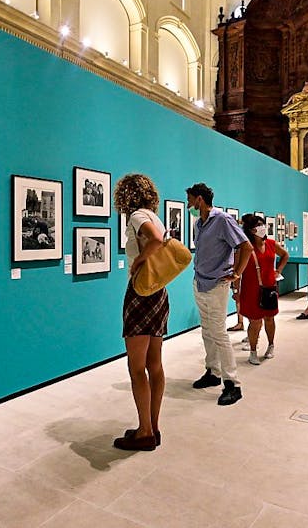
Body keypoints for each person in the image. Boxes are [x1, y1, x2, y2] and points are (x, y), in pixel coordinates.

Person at [113, 174, 168, 451]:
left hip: (141, 294)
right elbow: (160, 237)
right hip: (159, 293)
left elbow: (156, 240)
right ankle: (153, 427)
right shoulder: (155, 216)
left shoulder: (137, 216)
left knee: (137, 368)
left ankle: (144, 432)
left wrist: (139, 261)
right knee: (154, 364)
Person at [186, 183, 251, 406]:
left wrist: (237, 274)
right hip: (200, 281)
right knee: (207, 330)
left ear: (200, 200)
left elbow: (246, 246)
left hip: (217, 284)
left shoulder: (222, 220)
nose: (188, 205)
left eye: (190, 200)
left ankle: (233, 383)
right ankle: (212, 372)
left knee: (219, 333)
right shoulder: (199, 224)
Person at [234, 214, 288, 365]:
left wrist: (278, 271)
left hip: (269, 287)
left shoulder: (271, 243)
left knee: (270, 319)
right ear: (251, 230)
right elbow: (237, 271)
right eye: (258, 225)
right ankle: (253, 351)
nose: (262, 228)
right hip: (251, 289)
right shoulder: (245, 248)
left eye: (262, 224)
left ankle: (271, 345)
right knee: (255, 321)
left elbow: (285, 255)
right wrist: (236, 291)